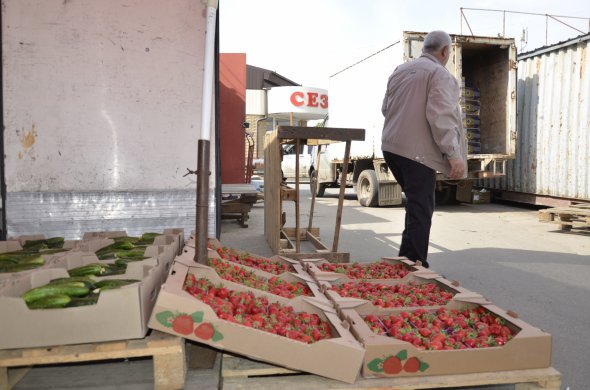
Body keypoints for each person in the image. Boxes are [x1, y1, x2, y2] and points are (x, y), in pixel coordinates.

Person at [381, 30, 467, 268]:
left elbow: (385, 109)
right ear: (445, 51)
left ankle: (405, 261)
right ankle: (415, 266)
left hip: (391, 147)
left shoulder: (399, 71)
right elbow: (441, 117)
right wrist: (454, 155)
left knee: (415, 205)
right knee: (421, 209)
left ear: (424, 48)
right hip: (416, 153)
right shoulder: (439, 74)